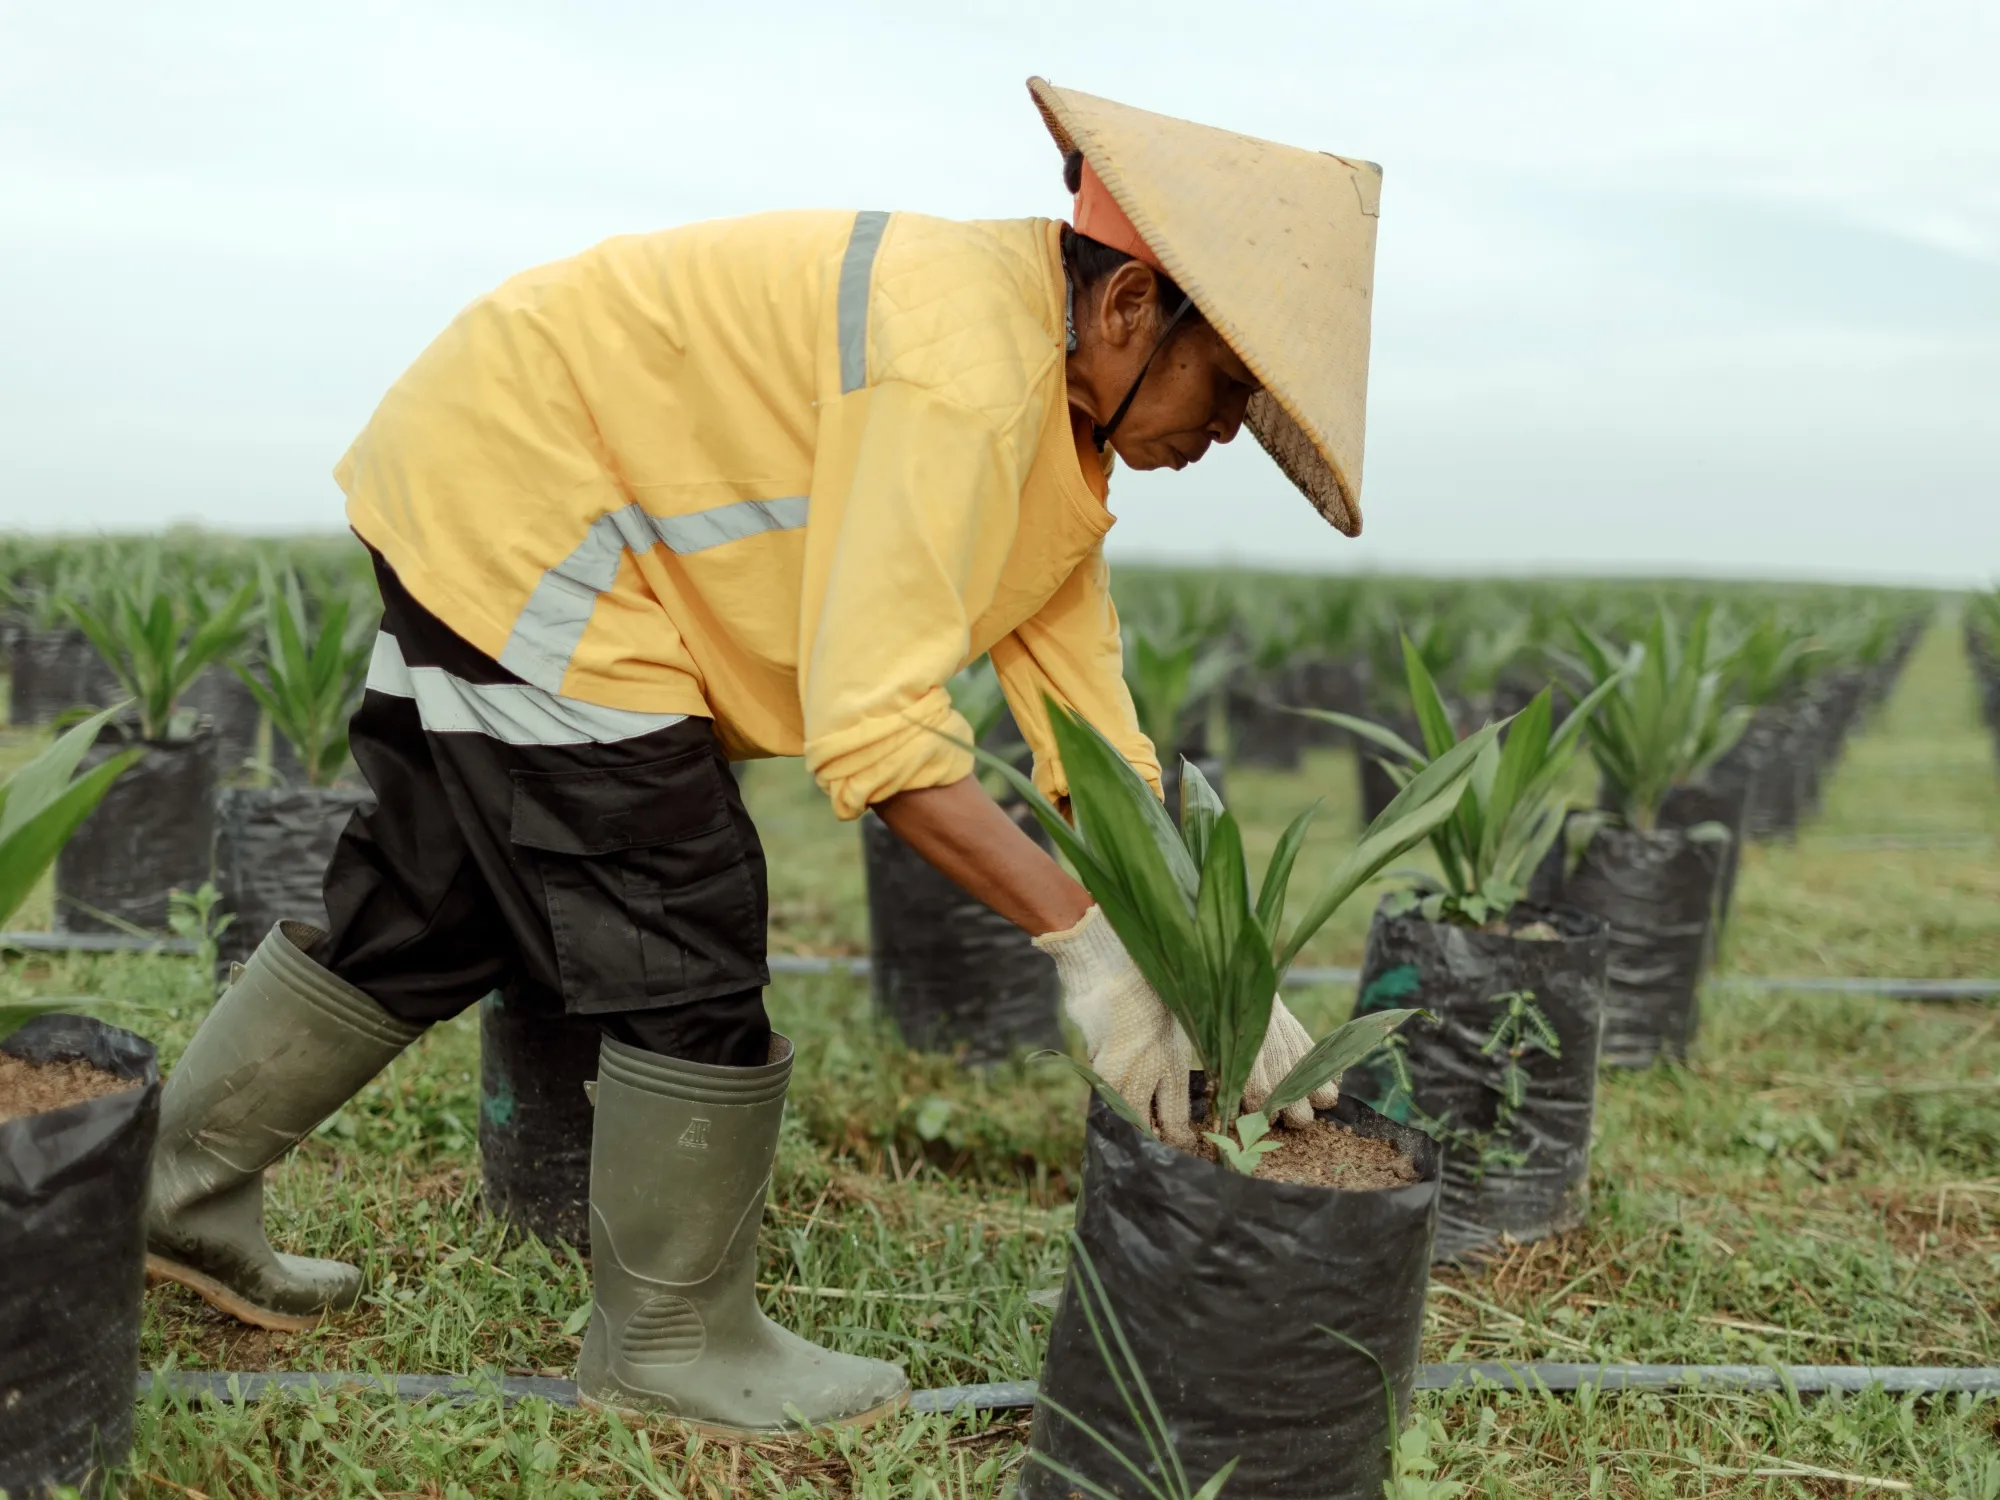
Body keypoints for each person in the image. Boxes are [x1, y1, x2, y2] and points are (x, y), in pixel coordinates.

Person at [142, 77, 1383, 1435]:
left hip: (482, 471)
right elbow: (880, 735)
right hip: (536, 508)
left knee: (433, 894)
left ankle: (172, 1189)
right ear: (1130, 305)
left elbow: (1093, 732)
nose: (1223, 431)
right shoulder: (965, 374)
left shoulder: (1053, 420)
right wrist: (1087, 947)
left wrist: (1201, 952)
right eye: (1227, 384)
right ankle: (670, 1341)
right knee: (682, 907)